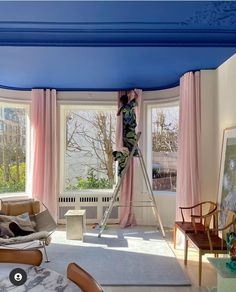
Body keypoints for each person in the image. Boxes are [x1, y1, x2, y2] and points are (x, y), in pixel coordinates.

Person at [113, 90, 139, 176]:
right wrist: (131, 93)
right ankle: (130, 153)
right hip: (130, 130)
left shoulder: (121, 109)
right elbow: (136, 97)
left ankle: (120, 169)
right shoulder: (129, 106)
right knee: (131, 147)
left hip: (124, 132)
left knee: (126, 150)